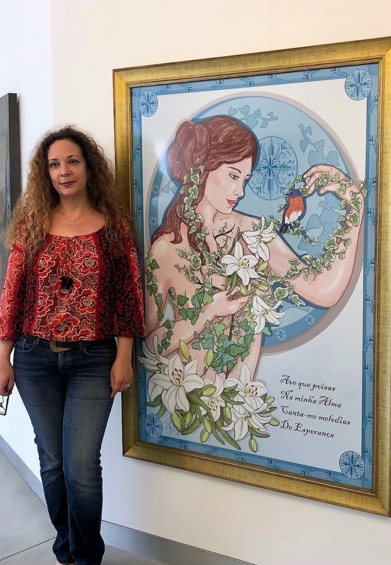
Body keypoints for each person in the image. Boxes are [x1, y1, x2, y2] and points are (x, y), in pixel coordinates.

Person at [0, 126, 145, 565]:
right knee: (53, 462)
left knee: (81, 466)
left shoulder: (113, 227)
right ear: (46, 173)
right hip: (34, 358)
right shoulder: (32, 227)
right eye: (55, 164)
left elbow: (127, 296)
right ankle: (66, 552)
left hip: (93, 359)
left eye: (72, 161)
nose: (64, 171)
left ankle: (90, 557)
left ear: (88, 167)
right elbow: (12, 294)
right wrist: (3, 357)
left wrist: (124, 356)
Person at [143, 115, 363, 417]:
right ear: (203, 169)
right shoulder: (166, 250)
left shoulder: (253, 232)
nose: (240, 191)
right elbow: (149, 344)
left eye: (245, 180)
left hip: (237, 408)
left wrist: (354, 206)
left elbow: (322, 290)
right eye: (233, 176)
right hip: (188, 403)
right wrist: (208, 312)